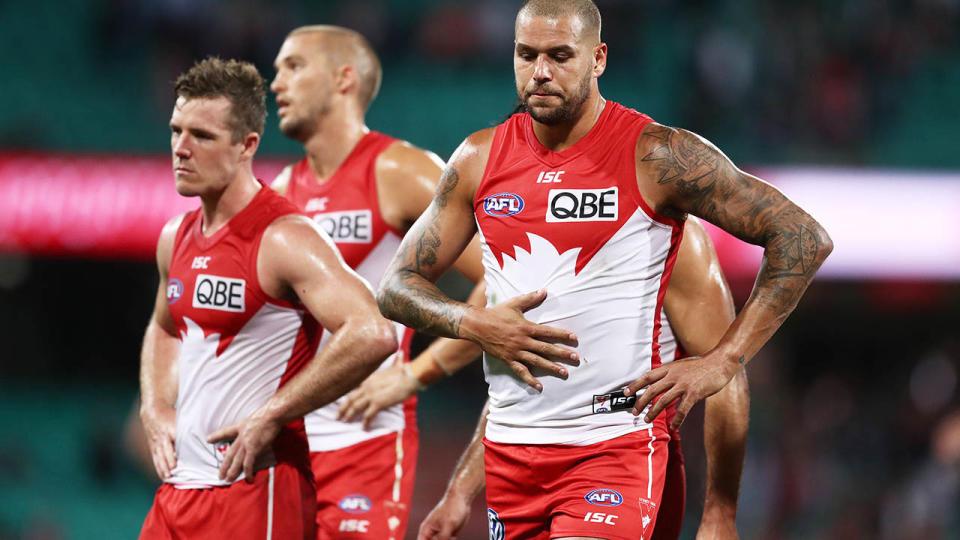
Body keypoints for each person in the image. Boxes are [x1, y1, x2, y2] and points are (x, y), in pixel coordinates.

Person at [376, 0, 832, 538]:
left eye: (559, 56)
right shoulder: (478, 160)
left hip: (614, 449)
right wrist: (471, 326)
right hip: (512, 457)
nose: (540, 71)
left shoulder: (659, 159)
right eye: (527, 54)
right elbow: (398, 287)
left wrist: (719, 503)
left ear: (598, 59)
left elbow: (802, 236)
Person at [345, 218, 749, 539]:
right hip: (520, 470)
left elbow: (725, 375)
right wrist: (460, 492)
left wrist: (719, 513)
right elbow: (526, 388)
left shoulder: (671, 236)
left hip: (618, 457)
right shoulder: (533, 244)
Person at [137, 57, 398, 539]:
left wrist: (273, 412)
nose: (181, 149)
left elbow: (373, 332)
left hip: (256, 487)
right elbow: (164, 327)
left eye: (202, 136)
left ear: (246, 146)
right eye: (176, 131)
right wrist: (154, 406)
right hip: (178, 492)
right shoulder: (175, 236)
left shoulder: (284, 238)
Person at [269, 25, 495, 540]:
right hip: (286, 446)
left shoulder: (401, 171)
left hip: (363, 442)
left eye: (294, 66)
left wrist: (416, 373)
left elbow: (503, 280)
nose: (275, 83)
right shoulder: (281, 191)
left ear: (344, 78)